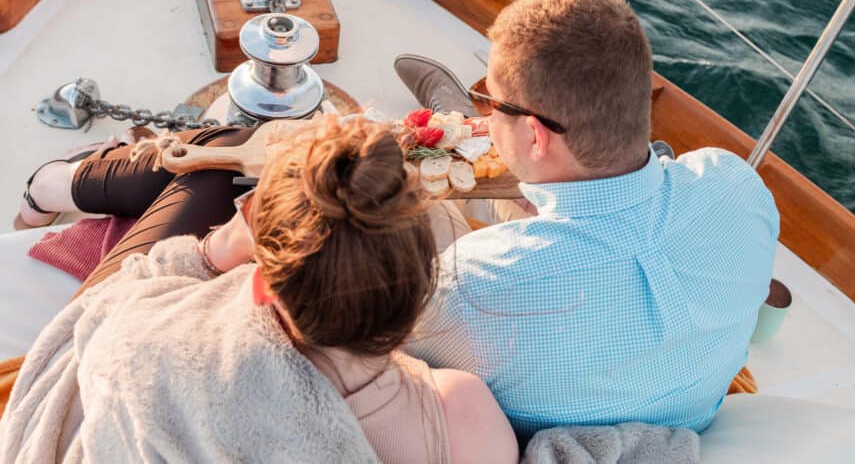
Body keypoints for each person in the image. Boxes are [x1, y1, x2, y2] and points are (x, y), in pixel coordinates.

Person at [1, 117, 518, 463]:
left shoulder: (143, 340)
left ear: (262, 285)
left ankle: (53, 184)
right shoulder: (466, 417)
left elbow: (93, 320)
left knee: (218, 156)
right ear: (415, 305)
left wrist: (213, 250)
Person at [396, 0, 780, 440]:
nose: (490, 113)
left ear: (536, 137)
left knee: (426, 220)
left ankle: (452, 122)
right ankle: (463, 122)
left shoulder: (470, 283)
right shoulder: (737, 187)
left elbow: (387, 350)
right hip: (684, 410)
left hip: (523, 418)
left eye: (492, 105)